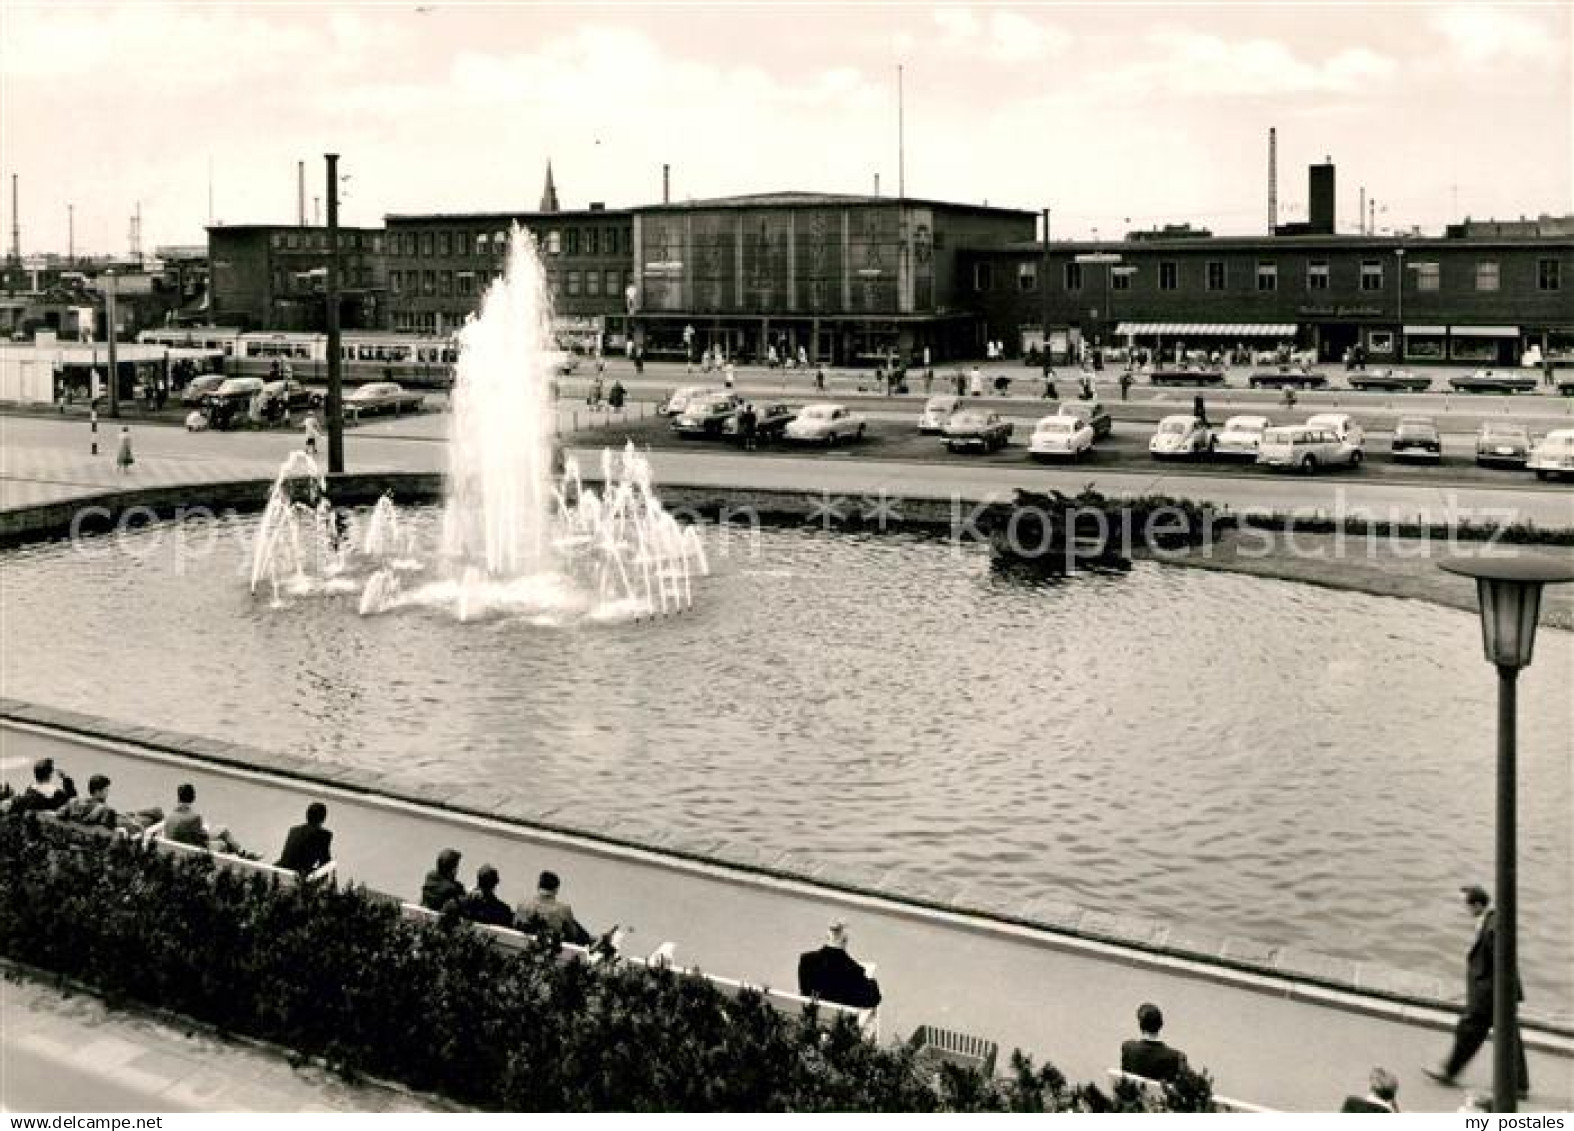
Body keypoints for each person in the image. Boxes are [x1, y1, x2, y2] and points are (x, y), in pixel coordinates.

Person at [1426, 885, 1529, 1096]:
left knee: (1469, 1031)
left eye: (1466, 905)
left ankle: (1449, 1072)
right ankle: (1518, 1085)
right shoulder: (1491, 922)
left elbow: (1503, 963)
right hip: (1495, 993)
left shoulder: (1493, 926)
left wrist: (1497, 996)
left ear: (1477, 905)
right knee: (1508, 1037)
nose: (1465, 910)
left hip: (1490, 995)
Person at [797, 920, 882, 1009]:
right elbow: (873, 999)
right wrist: (872, 982)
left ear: (827, 937)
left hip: (813, 1018)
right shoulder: (853, 970)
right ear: (845, 940)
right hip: (838, 1021)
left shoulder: (806, 961)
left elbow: (805, 991)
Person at [164, 782, 250, 856]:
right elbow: (202, 839)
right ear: (193, 798)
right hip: (192, 850)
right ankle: (242, 854)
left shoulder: (170, 814)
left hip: (176, 848)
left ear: (179, 797)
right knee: (222, 842)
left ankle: (241, 853)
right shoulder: (194, 817)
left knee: (222, 829)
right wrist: (205, 829)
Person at [59, 774, 162, 834]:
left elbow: (60, 813)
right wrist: (134, 822)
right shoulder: (104, 811)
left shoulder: (76, 803)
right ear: (97, 792)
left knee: (151, 811)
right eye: (106, 790)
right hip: (126, 824)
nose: (108, 793)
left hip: (120, 819)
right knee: (157, 812)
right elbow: (132, 827)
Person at [515, 869, 592, 945]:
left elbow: (515, 924)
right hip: (550, 950)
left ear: (538, 886)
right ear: (556, 890)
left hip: (521, 945)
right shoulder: (563, 909)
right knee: (574, 926)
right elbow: (573, 935)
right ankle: (592, 941)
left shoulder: (523, 903)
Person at [1120, 1002, 1188, 1082]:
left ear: (1140, 1026)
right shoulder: (1175, 1057)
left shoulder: (1128, 1048)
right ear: (1161, 1025)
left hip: (1132, 1094)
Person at [275, 801, 333, 875]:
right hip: (298, 875)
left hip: (280, 869)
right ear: (323, 819)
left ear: (307, 815)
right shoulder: (324, 836)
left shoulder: (294, 830)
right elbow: (325, 863)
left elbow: (287, 857)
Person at [421, 848, 467, 913]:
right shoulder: (454, 888)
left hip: (427, 915)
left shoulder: (430, 877)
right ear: (453, 870)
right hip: (443, 920)